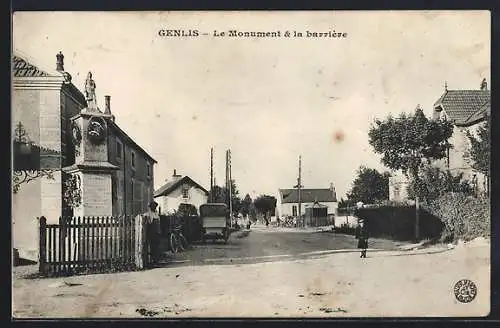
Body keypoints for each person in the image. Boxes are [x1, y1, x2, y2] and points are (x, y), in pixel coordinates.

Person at [144, 200, 161, 265]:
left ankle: (156, 261)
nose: (154, 207)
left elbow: (158, 223)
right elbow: (148, 223)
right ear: (150, 207)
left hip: (157, 233)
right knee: (152, 248)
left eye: (155, 206)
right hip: (152, 233)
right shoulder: (148, 214)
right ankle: (152, 262)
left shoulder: (156, 214)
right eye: (152, 206)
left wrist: (159, 231)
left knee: (157, 248)